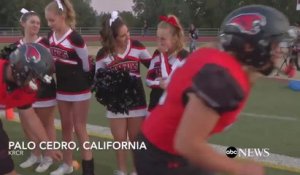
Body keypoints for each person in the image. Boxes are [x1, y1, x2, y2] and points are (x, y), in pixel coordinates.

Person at [133, 5, 289, 175]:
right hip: (164, 157)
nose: (279, 51)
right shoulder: (223, 80)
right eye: (274, 45)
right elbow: (187, 143)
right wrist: (240, 169)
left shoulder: (215, 58)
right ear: (250, 46)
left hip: (159, 146)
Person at [95, 11, 151, 175]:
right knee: (119, 140)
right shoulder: (103, 54)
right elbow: (98, 81)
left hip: (137, 101)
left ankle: (137, 170)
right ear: (112, 37)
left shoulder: (137, 46)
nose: (127, 37)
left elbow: (154, 68)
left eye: (128, 33)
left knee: (135, 141)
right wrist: (107, 86)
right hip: (116, 104)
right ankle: (121, 170)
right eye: (122, 35)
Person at [45, 0, 94, 174]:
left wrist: (84, 83)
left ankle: (89, 170)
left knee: (80, 128)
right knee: (66, 127)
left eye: (52, 20)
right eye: (48, 21)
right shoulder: (51, 37)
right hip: (62, 89)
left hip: (79, 89)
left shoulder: (75, 37)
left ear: (62, 16)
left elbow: (86, 65)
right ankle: (66, 165)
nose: (50, 24)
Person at [0, 43, 60, 175]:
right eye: (33, 75)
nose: (33, 81)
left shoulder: (21, 88)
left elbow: (31, 117)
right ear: (22, 67)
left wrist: (48, 146)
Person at [14, 8, 57, 173]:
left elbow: (52, 67)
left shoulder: (45, 43)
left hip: (44, 89)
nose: (36, 25)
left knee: (46, 124)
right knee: (27, 125)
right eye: (32, 22)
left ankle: (48, 156)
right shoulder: (17, 45)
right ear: (23, 23)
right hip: (23, 91)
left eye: (38, 23)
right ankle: (35, 154)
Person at [146, 15, 188, 111]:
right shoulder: (157, 54)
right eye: (157, 38)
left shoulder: (183, 57)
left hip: (173, 108)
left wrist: (163, 55)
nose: (159, 42)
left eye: (163, 39)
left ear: (174, 38)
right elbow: (148, 79)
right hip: (154, 106)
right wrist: (157, 83)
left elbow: (167, 80)